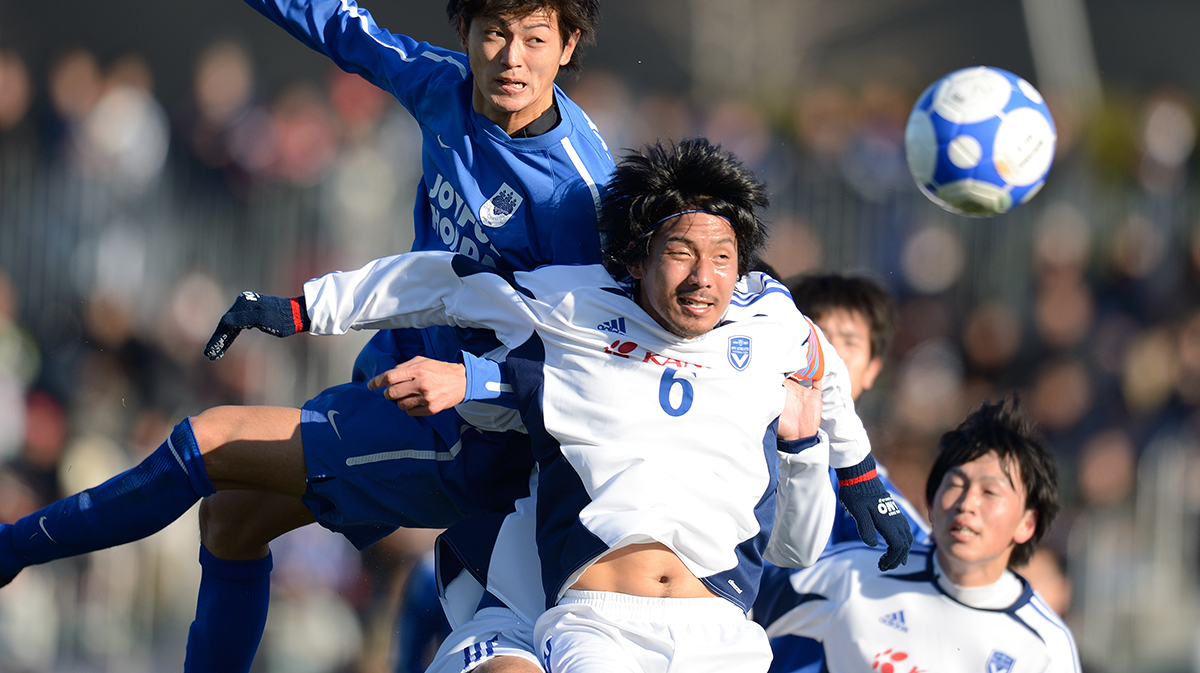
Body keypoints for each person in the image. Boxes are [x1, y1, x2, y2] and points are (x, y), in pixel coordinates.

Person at [0, 0, 612, 673]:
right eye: (495, 33)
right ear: (466, 31)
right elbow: (341, 25)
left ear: (568, 46)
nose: (511, 57)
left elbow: (591, 353)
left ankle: (12, 547)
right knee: (232, 520)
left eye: (535, 37)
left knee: (211, 439)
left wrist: (478, 384)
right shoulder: (444, 89)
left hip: (469, 435)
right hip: (397, 377)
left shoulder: (575, 197)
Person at [203, 138, 912, 672]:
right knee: (231, 504)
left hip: (721, 633)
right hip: (598, 626)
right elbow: (438, 283)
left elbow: (826, 378)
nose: (704, 277)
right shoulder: (570, 305)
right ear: (635, 258)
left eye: (723, 257)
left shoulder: (773, 323)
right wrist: (299, 310)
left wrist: (861, 480)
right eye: (680, 252)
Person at [753, 399, 1081, 673]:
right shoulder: (854, 577)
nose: (967, 503)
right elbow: (740, 610)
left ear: (1027, 523)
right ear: (932, 505)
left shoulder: (1045, 649)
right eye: (955, 485)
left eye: (990, 491)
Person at [784, 273, 931, 545]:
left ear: (872, 370)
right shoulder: (742, 436)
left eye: (850, 342)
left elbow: (918, 560)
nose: (832, 353)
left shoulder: (866, 487)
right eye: (821, 336)